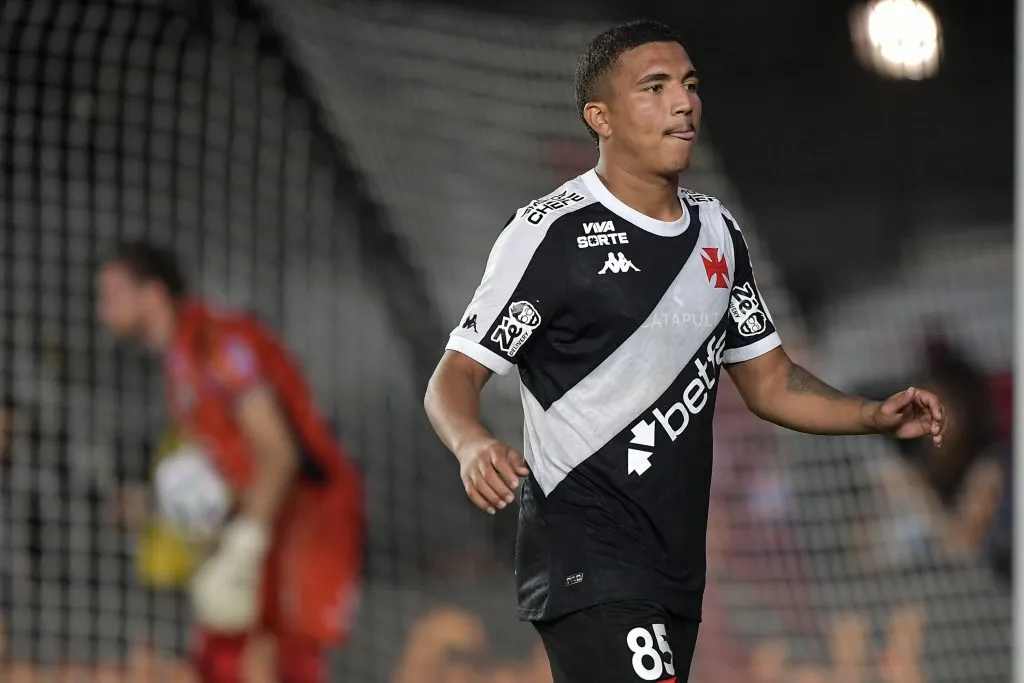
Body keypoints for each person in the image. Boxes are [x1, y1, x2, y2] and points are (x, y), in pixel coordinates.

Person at [423, 19, 946, 683]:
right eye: (656, 87)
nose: (683, 102)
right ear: (600, 117)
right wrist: (471, 443)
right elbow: (455, 374)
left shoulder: (718, 233)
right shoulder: (549, 233)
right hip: (586, 556)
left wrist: (871, 414)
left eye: (690, 86)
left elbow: (771, 381)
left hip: (675, 565)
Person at [96, 242, 364, 683]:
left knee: (291, 659)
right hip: (263, 517)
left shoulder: (215, 344)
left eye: (112, 295)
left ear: (153, 294)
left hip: (307, 515)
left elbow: (278, 453)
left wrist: (244, 546)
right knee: (220, 652)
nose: (102, 311)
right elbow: (230, 471)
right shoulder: (181, 361)